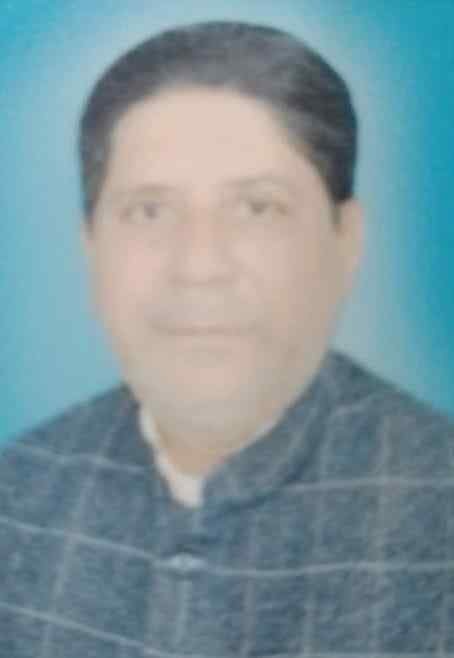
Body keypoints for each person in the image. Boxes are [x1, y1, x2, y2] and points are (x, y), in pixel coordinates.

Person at [1, 20, 453, 657]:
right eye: (149, 210)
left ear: (346, 240)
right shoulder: (17, 491)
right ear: (91, 247)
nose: (200, 266)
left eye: (257, 208)